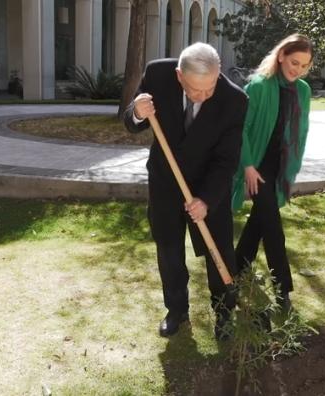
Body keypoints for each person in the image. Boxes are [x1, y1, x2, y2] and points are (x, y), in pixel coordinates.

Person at [124, 43, 248, 340]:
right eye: (196, 90)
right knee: (168, 248)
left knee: (219, 249)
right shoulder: (157, 74)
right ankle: (176, 309)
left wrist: (206, 199)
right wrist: (137, 112)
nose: (204, 96)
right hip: (166, 181)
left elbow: (226, 160)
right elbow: (131, 122)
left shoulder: (234, 100)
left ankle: (224, 312)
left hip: (209, 184)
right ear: (180, 76)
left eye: (210, 88)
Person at [232, 34, 314, 312]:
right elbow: (239, 129)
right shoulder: (258, 87)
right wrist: (247, 166)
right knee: (273, 229)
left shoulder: (302, 90)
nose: (298, 70)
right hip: (257, 166)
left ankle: (237, 265)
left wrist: (292, 167)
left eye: (304, 66)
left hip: (281, 167)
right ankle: (283, 290)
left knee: (260, 220)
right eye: (294, 62)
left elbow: (300, 131)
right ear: (281, 56)